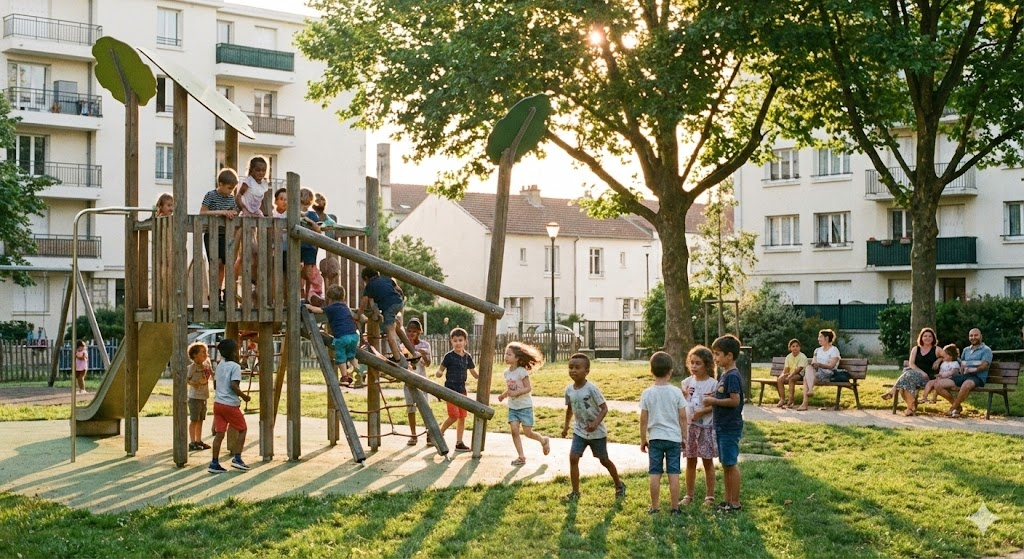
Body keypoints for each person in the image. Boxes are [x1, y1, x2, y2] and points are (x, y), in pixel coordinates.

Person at [561, 352, 626, 501]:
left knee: (604, 460)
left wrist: (595, 423)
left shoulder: (591, 389)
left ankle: (619, 484)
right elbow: (570, 409)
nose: (573, 370)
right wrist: (565, 427)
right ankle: (575, 492)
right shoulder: (569, 390)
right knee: (573, 458)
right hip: (580, 431)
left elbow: (604, 408)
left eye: (577, 367)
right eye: (570, 367)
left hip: (597, 433)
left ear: (586, 371)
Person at [639, 351, 687, 514]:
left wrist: (643, 439)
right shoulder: (676, 392)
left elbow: (643, 419)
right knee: (674, 473)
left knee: (655, 473)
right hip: (673, 438)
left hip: (655, 438)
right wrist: (684, 437)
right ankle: (675, 507)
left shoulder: (647, 393)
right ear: (670, 371)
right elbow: (683, 417)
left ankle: (655, 507)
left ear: (651, 371)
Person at [703, 334, 745, 512]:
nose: (715, 358)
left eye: (718, 354)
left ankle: (734, 502)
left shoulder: (732, 376)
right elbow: (724, 395)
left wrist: (714, 402)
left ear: (730, 356)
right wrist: (715, 396)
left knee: (730, 463)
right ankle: (727, 500)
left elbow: (735, 401)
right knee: (725, 464)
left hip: (729, 426)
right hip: (721, 425)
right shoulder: (724, 374)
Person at [498, 341, 551, 466]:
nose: (506, 356)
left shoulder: (522, 372)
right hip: (513, 407)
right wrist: (504, 395)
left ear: (517, 358)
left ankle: (544, 440)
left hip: (525, 407)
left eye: (509, 354)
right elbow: (511, 387)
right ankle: (521, 457)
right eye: (505, 353)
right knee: (514, 430)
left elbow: (528, 388)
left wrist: (517, 393)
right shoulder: (507, 372)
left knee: (528, 433)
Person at [208, 338, 252, 474]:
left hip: (218, 403)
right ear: (234, 352)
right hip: (230, 404)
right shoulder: (235, 367)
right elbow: (234, 385)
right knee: (242, 429)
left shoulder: (220, 365)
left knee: (220, 433)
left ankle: (214, 462)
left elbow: (215, 385)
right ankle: (237, 458)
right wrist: (244, 397)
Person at [681, 345, 718, 506]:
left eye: (698, 363)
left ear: (707, 365)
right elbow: (682, 403)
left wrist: (702, 412)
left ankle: (709, 496)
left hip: (706, 428)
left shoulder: (713, 384)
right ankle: (689, 495)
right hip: (690, 428)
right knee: (690, 461)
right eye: (692, 363)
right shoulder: (686, 382)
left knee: (707, 461)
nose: (694, 366)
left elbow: (716, 405)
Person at [359, 267, 416, 368]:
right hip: (399, 302)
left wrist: (360, 313)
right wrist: (401, 299)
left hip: (388, 307)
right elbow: (399, 289)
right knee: (397, 327)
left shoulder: (370, 285)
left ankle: (397, 359)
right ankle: (414, 353)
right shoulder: (386, 278)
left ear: (366, 278)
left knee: (389, 332)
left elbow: (365, 301)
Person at [305, 284, 360, 384]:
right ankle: (358, 372)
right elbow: (354, 316)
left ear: (329, 298)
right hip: (354, 336)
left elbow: (318, 310)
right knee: (351, 355)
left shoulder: (331, 308)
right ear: (343, 297)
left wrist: (308, 306)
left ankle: (344, 377)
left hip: (342, 338)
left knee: (341, 356)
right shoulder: (346, 307)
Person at [200, 168, 240, 306]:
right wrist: (222, 212)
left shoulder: (231, 198)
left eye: (233, 189)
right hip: (212, 234)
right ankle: (213, 291)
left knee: (224, 264)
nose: (230, 191)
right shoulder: (210, 195)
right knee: (215, 263)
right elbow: (203, 213)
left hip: (225, 235)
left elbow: (235, 212)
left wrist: (232, 213)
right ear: (220, 184)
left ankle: (220, 291)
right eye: (229, 188)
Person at [435, 327, 478, 452]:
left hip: (462, 390)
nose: (458, 343)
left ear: (466, 341)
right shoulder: (449, 356)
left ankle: (459, 442)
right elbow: (441, 369)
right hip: (450, 390)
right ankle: (438, 433)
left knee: (462, 417)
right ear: (451, 342)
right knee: (453, 415)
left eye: (460, 340)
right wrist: (438, 373)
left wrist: (482, 377)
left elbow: (474, 373)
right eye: (455, 341)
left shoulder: (467, 357)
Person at [933, 328, 992, 418]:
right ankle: (957, 406)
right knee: (938, 385)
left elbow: (984, 365)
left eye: (976, 335)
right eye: (971, 335)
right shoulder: (966, 350)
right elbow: (960, 363)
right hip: (963, 376)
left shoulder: (986, 350)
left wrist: (972, 370)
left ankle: (953, 408)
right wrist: (942, 363)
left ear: (981, 336)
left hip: (977, 377)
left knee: (966, 384)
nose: (973, 337)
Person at [881, 327, 940, 416]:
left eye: (930, 336)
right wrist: (921, 372)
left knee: (907, 375)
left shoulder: (937, 349)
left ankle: (893, 392)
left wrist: (939, 360)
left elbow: (950, 356)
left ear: (933, 338)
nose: (927, 338)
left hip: (927, 379)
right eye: (925, 336)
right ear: (921, 337)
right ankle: (911, 406)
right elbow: (911, 364)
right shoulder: (916, 349)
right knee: (908, 378)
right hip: (914, 376)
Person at [796, 329, 841, 411]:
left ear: (827, 338)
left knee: (805, 378)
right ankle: (810, 390)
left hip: (827, 373)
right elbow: (813, 362)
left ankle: (805, 403)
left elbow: (831, 366)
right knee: (809, 368)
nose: (818, 339)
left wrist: (820, 365)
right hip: (816, 372)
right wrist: (815, 365)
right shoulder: (817, 350)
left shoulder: (834, 350)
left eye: (820, 337)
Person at [403, 318, 431, 445]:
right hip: (408, 381)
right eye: (409, 331)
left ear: (419, 332)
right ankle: (413, 434)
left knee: (425, 408)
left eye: (414, 331)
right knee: (410, 408)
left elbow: (428, 363)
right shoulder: (403, 346)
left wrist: (422, 354)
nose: (411, 334)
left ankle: (429, 433)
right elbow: (403, 363)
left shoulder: (424, 345)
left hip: (422, 381)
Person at [186, 341, 213, 451]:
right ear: (194, 355)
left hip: (203, 397)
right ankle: (192, 442)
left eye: (206, 352)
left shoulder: (206, 365)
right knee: (194, 420)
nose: (205, 354)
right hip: (195, 397)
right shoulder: (192, 367)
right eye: (202, 352)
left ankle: (198, 440)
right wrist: (196, 383)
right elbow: (187, 379)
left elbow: (210, 373)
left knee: (201, 419)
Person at [298, 188, 323, 300]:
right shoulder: (294, 213)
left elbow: (318, 229)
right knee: (298, 270)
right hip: (298, 245)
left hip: (309, 246)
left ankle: (309, 294)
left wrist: (309, 221)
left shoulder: (312, 215)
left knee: (308, 272)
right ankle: (301, 293)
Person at [776, 338, 807, 408]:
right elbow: (786, 369)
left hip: (801, 375)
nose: (795, 348)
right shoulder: (788, 357)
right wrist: (783, 375)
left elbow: (799, 369)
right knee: (780, 379)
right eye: (793, 346)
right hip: (790, 373)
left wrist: (790, 375)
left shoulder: (802, 356)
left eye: (797, 346)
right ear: (790, 348)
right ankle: (782, 399)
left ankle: (791, 400)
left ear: (800, 347)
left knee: (791, 379)